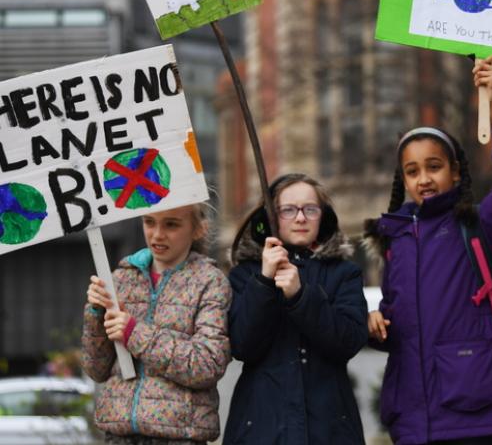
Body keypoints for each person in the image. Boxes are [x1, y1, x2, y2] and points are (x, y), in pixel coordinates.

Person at [365, 56, 492, 445]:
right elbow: (404, 324)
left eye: (434, 167)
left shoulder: (480, 224)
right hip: (413, 419)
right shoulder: (395, 240)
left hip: (477, 413)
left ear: (456, 172)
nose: (424, 179)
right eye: (412, 171)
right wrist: (377, 322)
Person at [224, 173, 368, 445]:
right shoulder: (245, 275)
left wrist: (302, 296)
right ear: (270, 217)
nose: (300, 218)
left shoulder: (344, 273)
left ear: (322, 217)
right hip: (261, 429)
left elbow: (348, 341)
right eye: (288, 210)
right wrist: (264, 282)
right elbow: (242, 345)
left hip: (329, 428)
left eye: (310, 209)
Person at [81, 203, 232, 444]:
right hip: (118, 435)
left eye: (171, 224)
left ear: (198, 229)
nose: (157, 234)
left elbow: (207, 365)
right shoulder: (121, 277)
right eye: (149, 222)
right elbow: (96, 370)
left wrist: (134, 332)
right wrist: (96, 314)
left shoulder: (210, 282)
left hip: (178, 436)